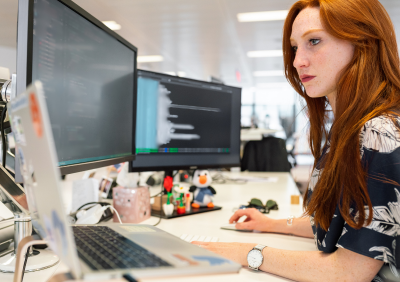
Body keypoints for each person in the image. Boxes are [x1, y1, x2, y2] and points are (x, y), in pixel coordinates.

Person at [192, 0, 400, 281]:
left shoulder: (380, 133)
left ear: (363, 42)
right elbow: (342, 223)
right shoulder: (349, 128)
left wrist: (246, 253)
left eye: (314, 41)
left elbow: (350, 271)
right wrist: (272, 223)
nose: (297, 60)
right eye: (294, 47)